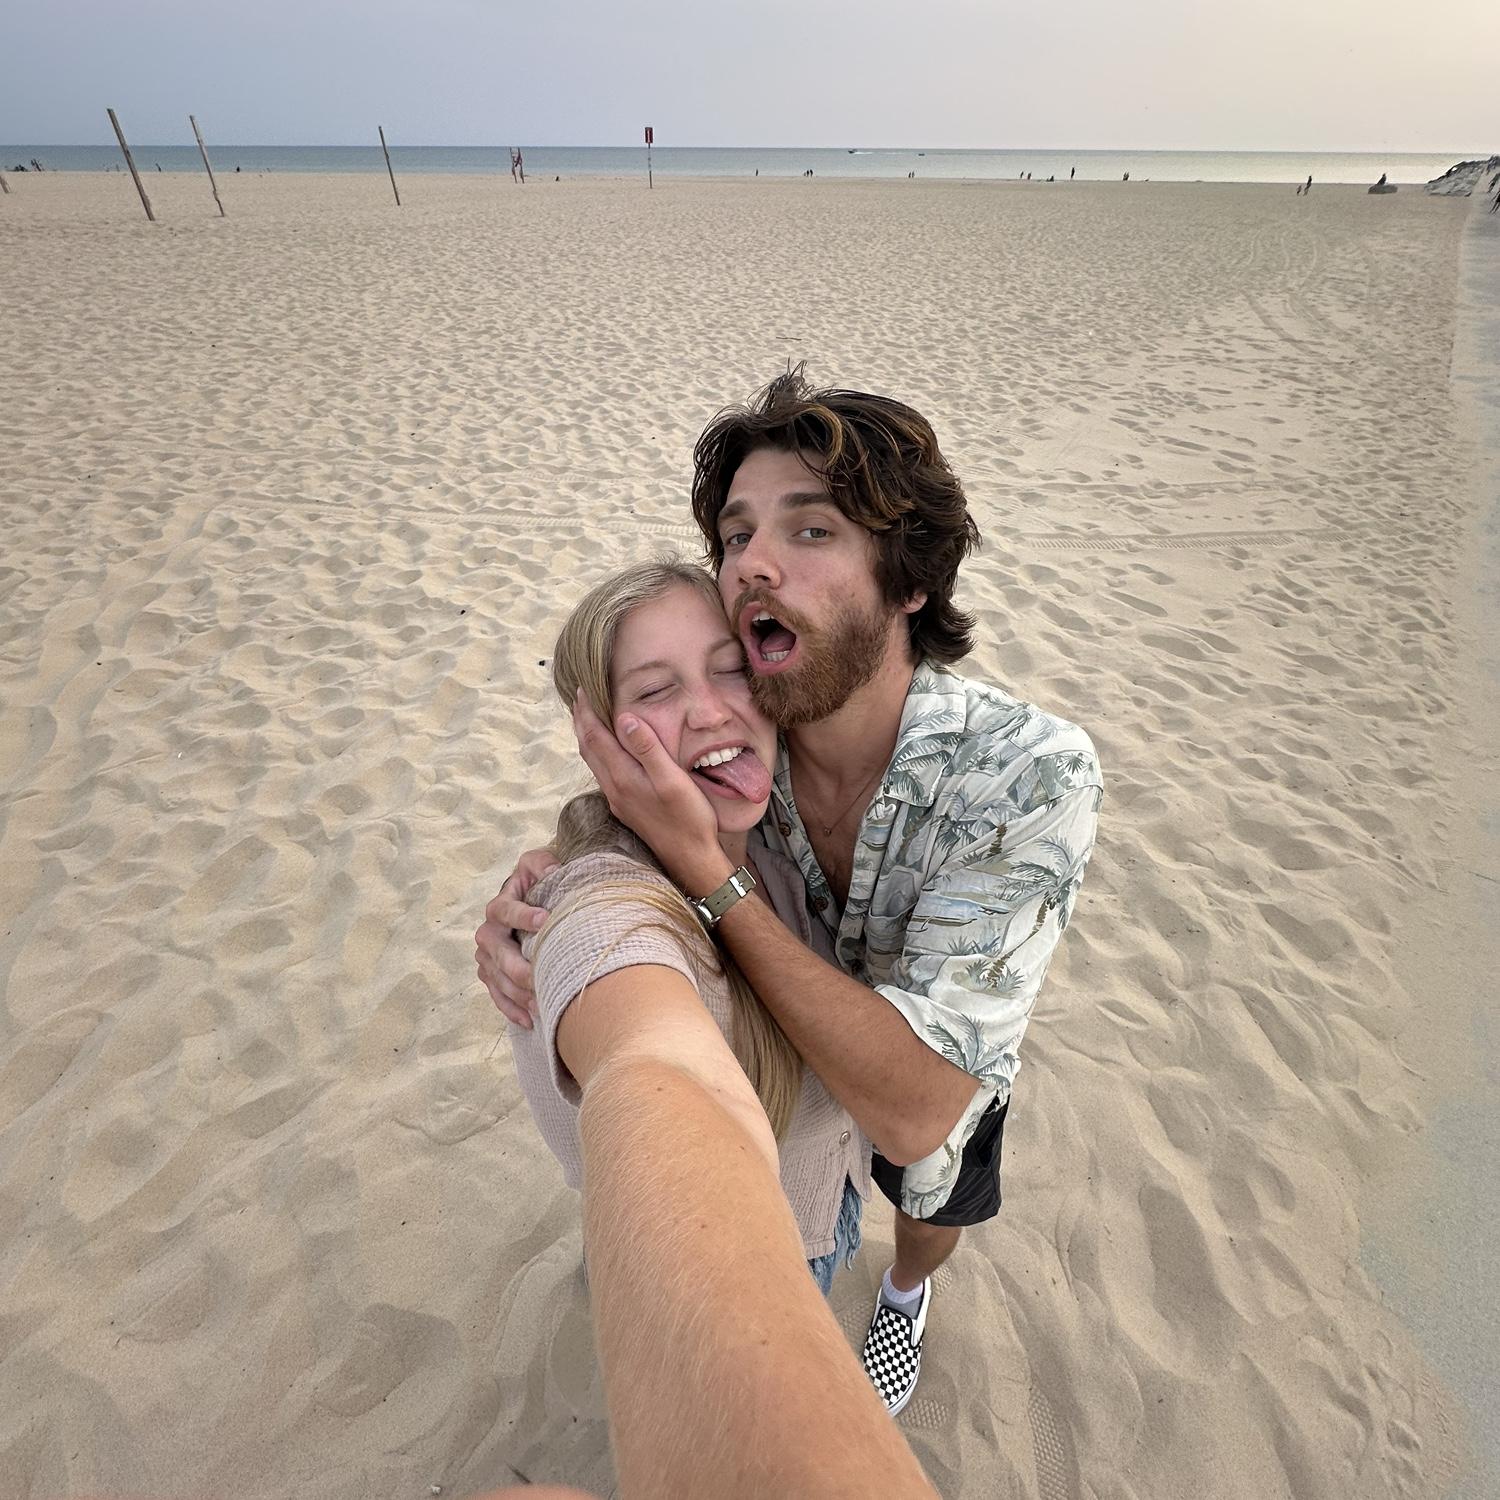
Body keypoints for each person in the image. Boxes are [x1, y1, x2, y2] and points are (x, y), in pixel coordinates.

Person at [479, 370, 1103, 1417]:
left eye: (811, 531)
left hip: (940, 1054)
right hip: (792, 1111)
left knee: (932, 1200)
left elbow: (917, 1111)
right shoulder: (741, 741)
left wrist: (712, 878)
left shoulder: (1027, 773)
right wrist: (550, 884)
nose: (752, 565)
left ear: (908, 584)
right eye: (736, 536)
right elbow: (620, 900)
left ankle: (905, 1295)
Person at [506, 559, 870, 1293]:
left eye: (731, 668)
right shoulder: (603, 910)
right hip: (772, 1260)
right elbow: (644, 1052)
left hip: (839, 1191)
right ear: (599, 740)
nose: (710, 712)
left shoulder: (780, 825)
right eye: (655, 690)